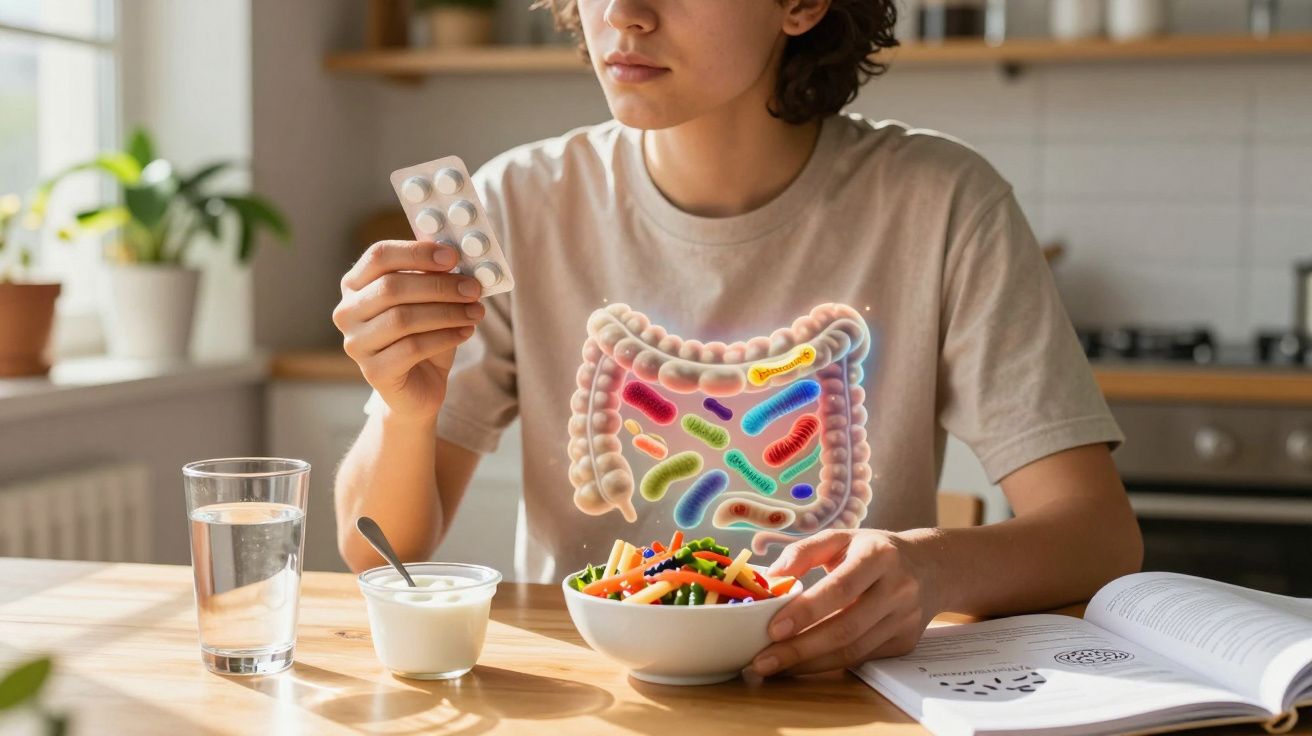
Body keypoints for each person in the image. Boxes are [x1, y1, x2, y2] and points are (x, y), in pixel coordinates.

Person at [331, 0, 1143, 679]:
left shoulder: (942, 206)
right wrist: (407, 410)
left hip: (841, 697)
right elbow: (380, 556)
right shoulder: (516, 205)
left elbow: (1099, 536)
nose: (623, 14)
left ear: (800, 4)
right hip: (591, 701)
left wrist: (930, 569)